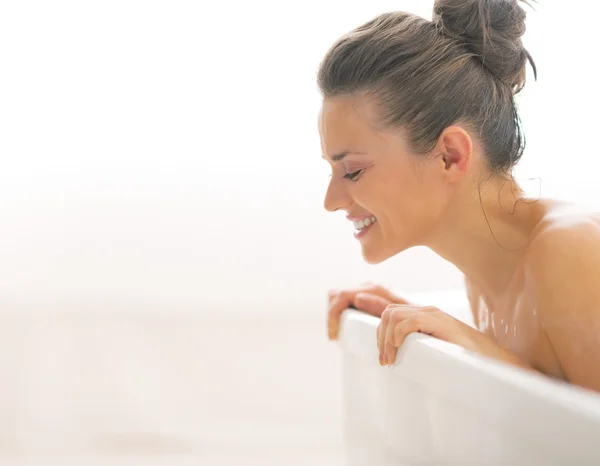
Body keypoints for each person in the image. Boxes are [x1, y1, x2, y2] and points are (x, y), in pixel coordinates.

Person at [318, 0, 600, 393]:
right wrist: (430, 333)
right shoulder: (484, 281)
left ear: (450, 155)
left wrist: (469, 345)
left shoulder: (572, 252)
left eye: (353, 171)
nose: (331, 200)